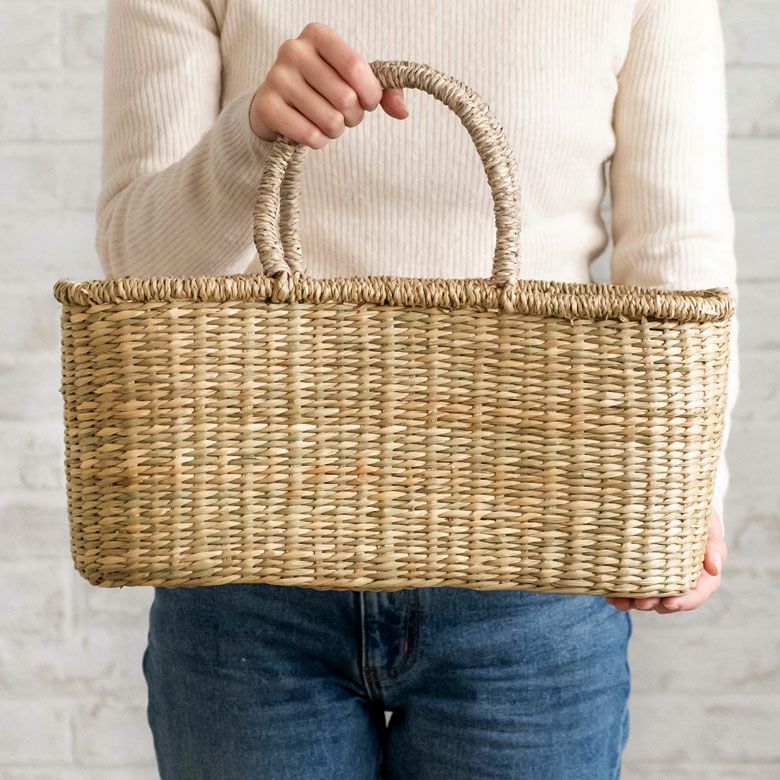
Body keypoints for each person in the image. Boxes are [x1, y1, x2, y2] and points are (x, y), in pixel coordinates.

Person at [96, 1, 738, 777]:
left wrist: (687, 484)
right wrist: (249, 139)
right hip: (249, 554)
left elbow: (677, 254)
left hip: (536, 551)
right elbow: (134, 272)